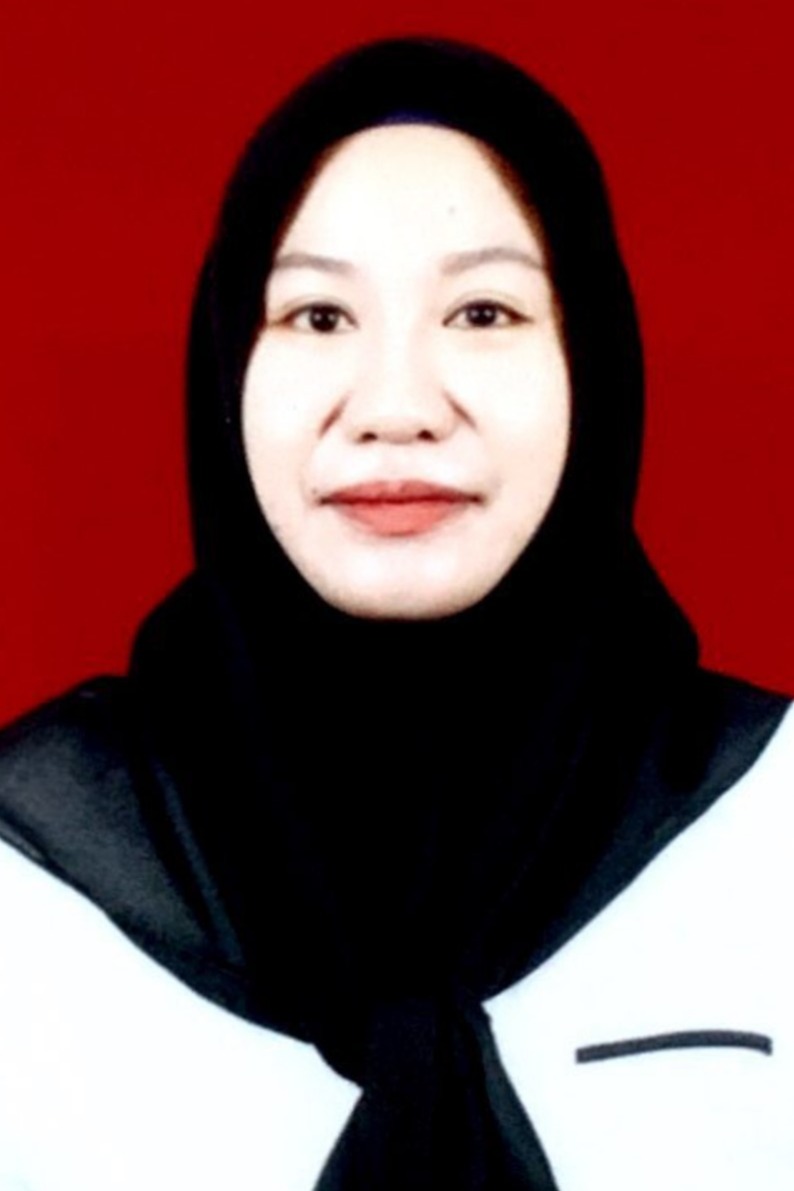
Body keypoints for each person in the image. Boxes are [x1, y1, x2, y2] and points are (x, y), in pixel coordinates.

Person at [0, 35, 790, 1191]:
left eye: (483, 311)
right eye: (318, 317)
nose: (396, 405)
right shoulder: (26, 877)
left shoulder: (769, 825)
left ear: (590, 359)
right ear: (226, 366)